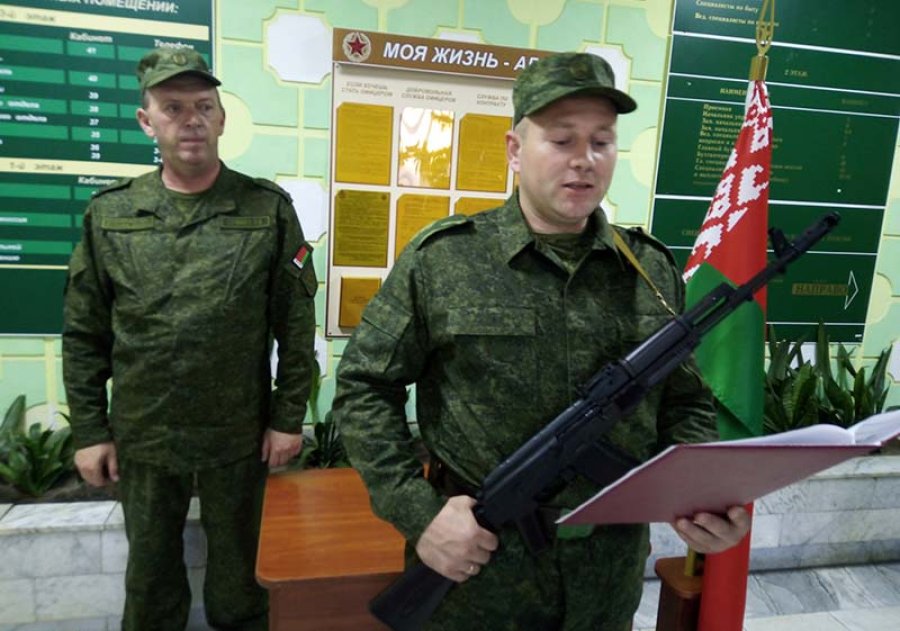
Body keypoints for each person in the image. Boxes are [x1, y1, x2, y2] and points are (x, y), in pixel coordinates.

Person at [332, 52, 750, 631]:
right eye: (561, 140)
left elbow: (685, 400)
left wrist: (699, 494)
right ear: (513, 150)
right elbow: (362, 389)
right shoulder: (444, 258)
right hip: (479, 574)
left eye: (601, 142)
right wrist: (418, 513)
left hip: (606, 580)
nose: (584, 161)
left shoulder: (649, 269)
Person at [62, 47, 318, 631]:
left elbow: (295, 326)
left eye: (204, 105)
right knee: (149, 584)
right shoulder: (110, 214)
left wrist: (286, 418)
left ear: (223, 117)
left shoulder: (266, 209)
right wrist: (90, 431)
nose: (191, 119)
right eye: (173, 107)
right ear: (146, 121)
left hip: (238, 435)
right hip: (144, 434)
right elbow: (83, 333)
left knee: (240, 586)